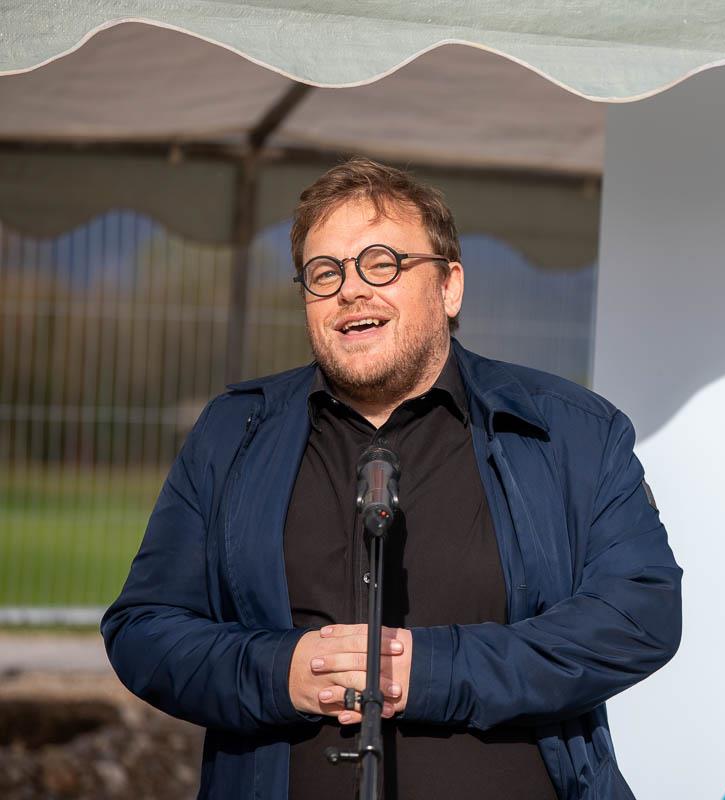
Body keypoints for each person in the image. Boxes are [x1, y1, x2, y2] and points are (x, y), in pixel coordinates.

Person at [101, 157, 683, 799]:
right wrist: (280, 672)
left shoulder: (570, 432)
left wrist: (427, 672)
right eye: (325, 273)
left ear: (450, 287)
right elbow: (144, 630)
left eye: (382, 264)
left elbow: (638, 615)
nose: (352, 290)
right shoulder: (232, 432)